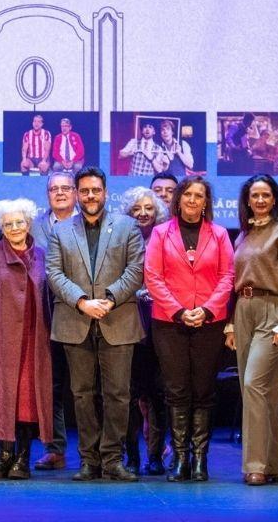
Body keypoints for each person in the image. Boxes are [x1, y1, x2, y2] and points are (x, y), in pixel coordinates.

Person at [46, 166, 144, 482]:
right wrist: (82, 302)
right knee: (81, 394)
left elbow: (136, 269)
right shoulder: (61, 230)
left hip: (118, 317)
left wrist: (110, 299)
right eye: (84, 190)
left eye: (95, 190)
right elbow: (54, 273)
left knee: (118, 394)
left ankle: (113, 459)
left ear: (105, 192)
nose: (90, 196)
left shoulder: (128, 227)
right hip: (75, 319)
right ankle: (89, 461)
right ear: (77, 193)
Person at [143, 177, 235, 482]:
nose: (193, 200)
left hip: (210, 321)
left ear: (206, 201)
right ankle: (181, 459)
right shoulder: (160, 233)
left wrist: (206, 309)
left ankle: (200, 461)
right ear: (178, 199)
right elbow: (153, 276)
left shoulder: (220, 234)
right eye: (188, 195)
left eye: (199, 196)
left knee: (203, 390)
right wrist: (180, 311)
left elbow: (227, 276)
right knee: (177, 390)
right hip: (170, 322)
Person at [0, 198, 53, 479]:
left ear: (28, 224)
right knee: (2, 399)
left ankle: (22, 457)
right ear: (1, 227)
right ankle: (3, 454)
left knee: (27, 399)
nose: (14, 228)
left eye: (20, 222)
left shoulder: (40, 254)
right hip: (1, 340)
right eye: (8, 224)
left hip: (34, 340)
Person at [225, 174, 278, 486]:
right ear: (247, 200)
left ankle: (255, 465)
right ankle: (276, 465)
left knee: (255, 386)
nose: (259, 201)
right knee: (259, 394)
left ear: (274, 199)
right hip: (244, 311)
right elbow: (233, 282)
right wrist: (230, 321)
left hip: (272, 311)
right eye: (254, 195)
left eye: (265, 195)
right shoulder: (243, 235)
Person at [121, 185, 170, 477]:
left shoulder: (165, 238)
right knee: (127, 394)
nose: (142, 213)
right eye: (136, 209)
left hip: (158, 322)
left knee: (156, 393)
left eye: (148, 208)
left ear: (157, 211)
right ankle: (131, 456)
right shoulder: (121, 238)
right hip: (126, 322)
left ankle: (155, 456)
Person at [30, 170, 75, 471]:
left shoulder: (89, 224)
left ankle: (96, 451)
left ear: (74, 192)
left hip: (83, 313)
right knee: (52, 386)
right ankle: (55, 448)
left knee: (87, 388)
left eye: (65, 188)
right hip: (45, 315)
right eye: (53, 189)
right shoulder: (34, 226)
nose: (59, 193)